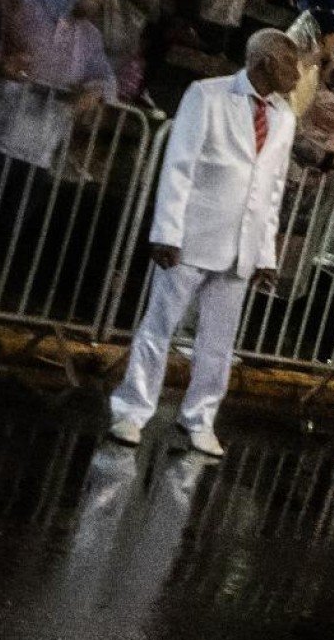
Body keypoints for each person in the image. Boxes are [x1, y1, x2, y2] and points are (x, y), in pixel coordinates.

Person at [107, 29, 299, 458]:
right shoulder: (207, 95)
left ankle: (200, 417)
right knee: (159, 328)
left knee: (218, 342)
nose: (297, 73)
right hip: (192, 235)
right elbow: (179, 166)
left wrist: (266, 253)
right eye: (290, 63)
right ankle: (132, 410)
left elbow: (274, 188)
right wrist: (167, 232)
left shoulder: (285, 117)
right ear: (264, 61)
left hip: (241, 246)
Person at [0, 0, 115, 170]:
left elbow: (105, 77)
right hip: (2, 129)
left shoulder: (91, 37)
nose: (101, 1)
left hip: (42, 148)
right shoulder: (25, 8)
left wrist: (96, 91)